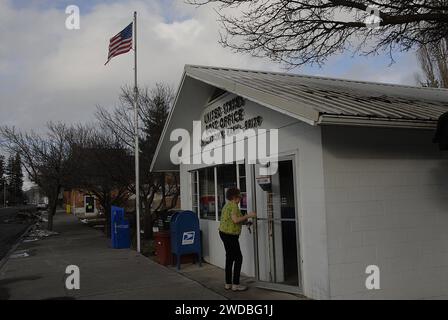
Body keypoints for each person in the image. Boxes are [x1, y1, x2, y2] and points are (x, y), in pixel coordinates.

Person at [219, 187, 256, 291]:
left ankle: (228, 283)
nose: (240, 198)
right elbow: (235, 220)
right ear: (235, 197)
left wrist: (246, 222)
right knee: (238, 258)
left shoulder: (227, 206)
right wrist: (249, 215)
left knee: (229, 258)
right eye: (239, 196)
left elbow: (234, 220)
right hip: (230, 236)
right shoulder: (234, 206)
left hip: (223, 233)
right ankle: (236, 284)